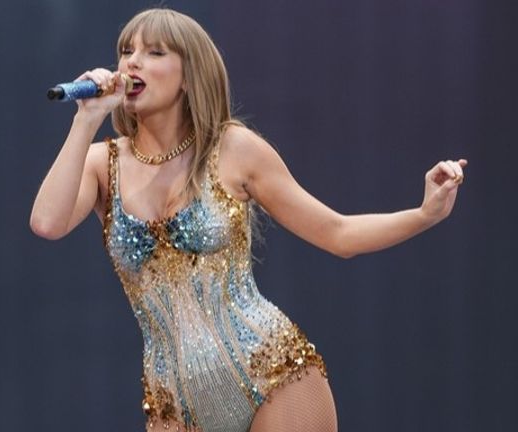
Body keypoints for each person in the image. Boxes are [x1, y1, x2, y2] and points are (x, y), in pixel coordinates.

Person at [30, 8, 466, 432]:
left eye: (154, 52)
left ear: (189, 75)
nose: (132, 62)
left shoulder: (233, 149)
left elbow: (339, 234)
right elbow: (47, 223)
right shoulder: (101, 163)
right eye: (126, 51)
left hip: (272, 374)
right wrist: (86, 120)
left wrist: (424, 214)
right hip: (174, 404)